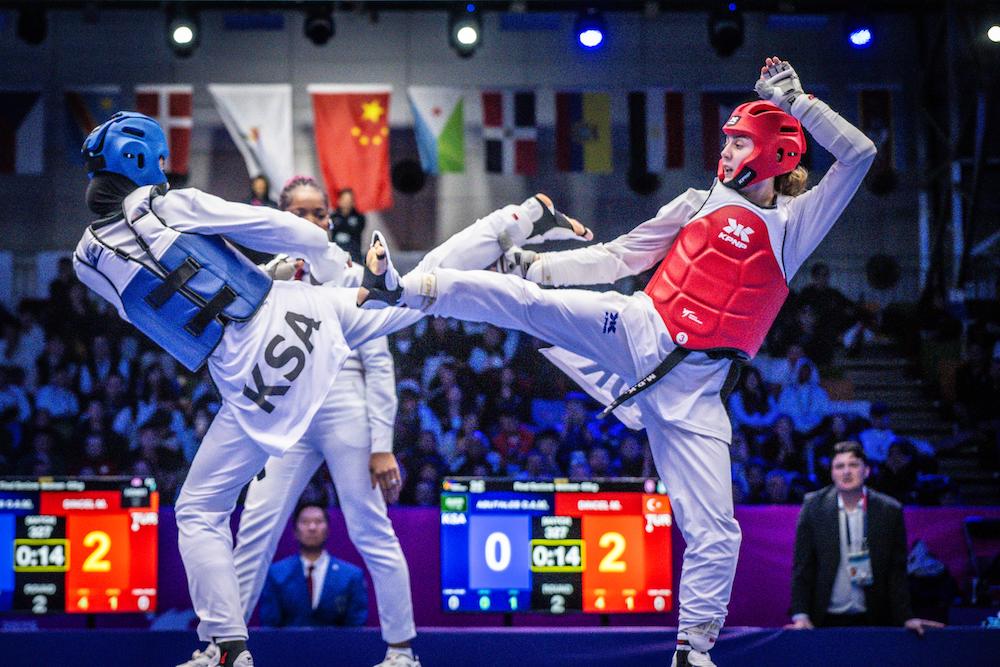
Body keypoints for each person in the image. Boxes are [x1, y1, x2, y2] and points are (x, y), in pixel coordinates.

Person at [361, 57, 877, 667]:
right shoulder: (697, 200)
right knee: (529, 304)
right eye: (728, 138)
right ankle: (404, 287)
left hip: (696, 394)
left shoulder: (796, 225)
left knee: (718, 533)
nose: (728, 149)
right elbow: (619, 258)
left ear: (776, 152)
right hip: (641, 332)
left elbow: (860, 155)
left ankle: (693, 651)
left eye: (740, 140)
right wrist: (539, 265)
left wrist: (797, 102)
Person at [74, 112, 534, 667]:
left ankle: (228, 645)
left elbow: (174, 317)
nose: (316, 219)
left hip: (259, 382)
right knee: (405, 297)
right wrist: (316, 257)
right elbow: (287, 233)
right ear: (146, 163)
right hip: (308, 325)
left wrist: (269, 277)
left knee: (201, 511)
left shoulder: (83, 262)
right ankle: (511, 222)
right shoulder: (171, 205)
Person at [226, 175, 420, 667]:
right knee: (256, 524)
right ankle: (224, 648)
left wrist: (382, 443)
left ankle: (400, 650)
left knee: (370, 528)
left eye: (318, 214)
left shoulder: (356, 275)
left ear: (329, 221)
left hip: (342, 401)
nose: (310, 222)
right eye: (299, 214)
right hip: (285, 407)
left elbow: (379, 362)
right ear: (280, 218)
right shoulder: (261, 279)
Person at [787, 441, 944, 634]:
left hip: (874, 619)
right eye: (839, 466)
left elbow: (896, 571)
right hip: (824, 619)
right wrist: (800, 615)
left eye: (853, 465)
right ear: (832, 473)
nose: (846, 471)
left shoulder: (889, 510)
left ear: (866, 471)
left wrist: (905, 616)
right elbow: (803, 566)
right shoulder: (814, 506)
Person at [258, 502, 368, 628]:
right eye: (305, 522)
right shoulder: (276, 573)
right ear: (295, 531)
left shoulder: (351, 575)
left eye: (318, 521)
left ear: (328, 529)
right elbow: (269, 626)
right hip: (288, 646)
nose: (312, 527)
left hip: (337, 646)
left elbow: (356, 627)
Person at [330, 187, 366, 262]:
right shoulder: (333, 217)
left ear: (353, 202)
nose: (346, 202)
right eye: (344, 199)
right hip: (336, 253)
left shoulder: (359, 217)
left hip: (353, 254)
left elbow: (356, 231)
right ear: (339, 201)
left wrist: (343, 223)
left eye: (349, 200)